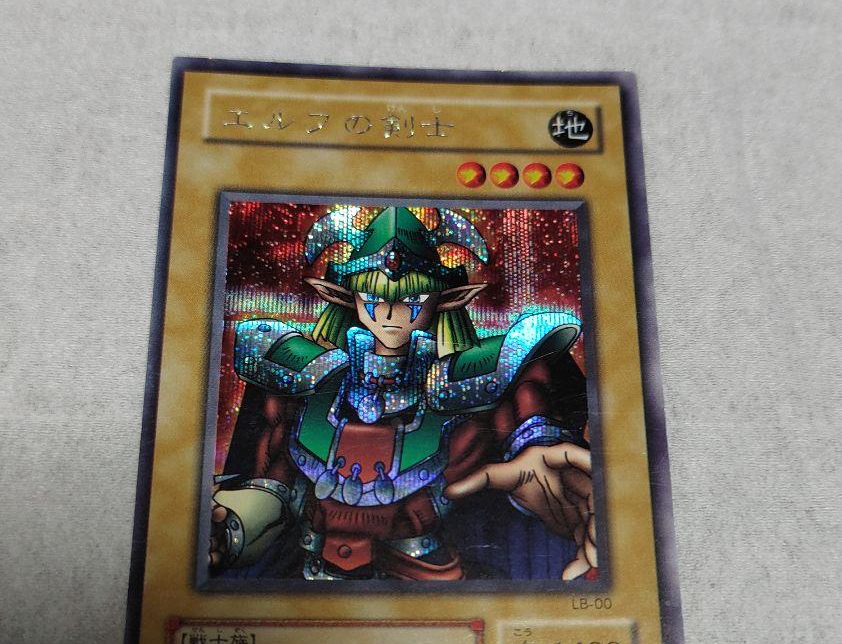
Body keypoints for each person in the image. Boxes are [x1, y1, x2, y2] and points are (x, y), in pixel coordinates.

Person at [210, 205, 597, 581]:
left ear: (444, 300)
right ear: (348, 298)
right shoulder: (309, 381)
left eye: (411, 301)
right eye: (373, 298)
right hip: (314, 575)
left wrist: (543, 452)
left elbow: (529, 406)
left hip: (427, 575)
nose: (390, 314)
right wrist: (229, 528)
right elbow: (274, 486)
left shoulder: (466, 384)